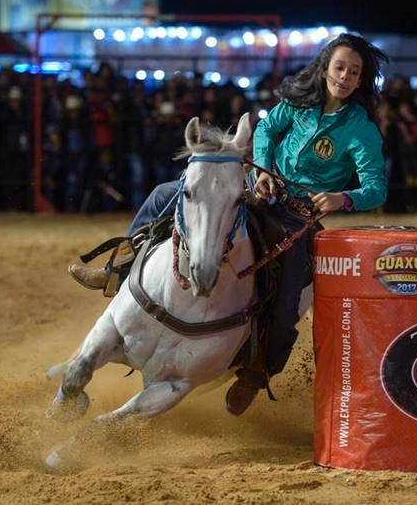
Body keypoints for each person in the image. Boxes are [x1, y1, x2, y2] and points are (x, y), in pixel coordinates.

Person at [69, 33, 388, 415]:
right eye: (340, 68)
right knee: (163, 195)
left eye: (354, 72)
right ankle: (116, 267)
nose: (345, 77)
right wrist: (266, 167)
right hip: (257, 185)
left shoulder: (361, 129)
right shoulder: (299, 103)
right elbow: (267, 130)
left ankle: (257, 372)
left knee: (287, 302)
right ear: (325, 69)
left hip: (295, 218)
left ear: (360, 79)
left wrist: (343, 198)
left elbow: (376, 187)